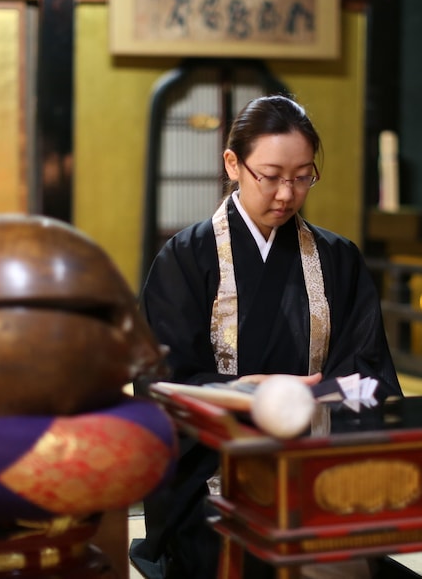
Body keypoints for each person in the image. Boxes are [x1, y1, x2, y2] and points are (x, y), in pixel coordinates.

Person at [129, 94, 404, 578]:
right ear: (233, 164)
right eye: (272, 176)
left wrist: (320, 406)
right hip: (213, 478)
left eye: (302, 177)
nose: (286, 194)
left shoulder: (340, 260)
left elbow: (366, 369)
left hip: (315, 472)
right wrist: (237, 393)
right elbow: (161, 384)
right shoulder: (185, 260)